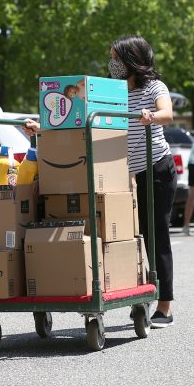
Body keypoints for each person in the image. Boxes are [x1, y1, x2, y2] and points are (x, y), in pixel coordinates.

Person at [25, 35, 177, 328]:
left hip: (156, 168)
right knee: (122, 235)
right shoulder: (112, 90)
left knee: (154, 232)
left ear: (132, 59)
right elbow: (76, 117)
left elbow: (167, 113)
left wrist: (152, 116)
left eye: (117, 59)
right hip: (122, 172)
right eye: (111, 59)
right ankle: (137, 290)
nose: (113, 64)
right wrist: (40, 127)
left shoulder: (154, 87)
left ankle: (165, 304)